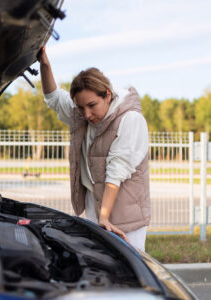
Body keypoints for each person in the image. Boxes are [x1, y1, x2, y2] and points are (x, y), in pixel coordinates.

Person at [38, 47, 151, 251]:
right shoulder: (82, 115)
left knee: (130, 273)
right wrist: (44, 63)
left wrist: (104, 217)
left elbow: (116, 171)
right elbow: (53, 97)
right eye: (81, 107)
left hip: (126, 217)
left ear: (107, 94)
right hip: (96, 209)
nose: (87, 114)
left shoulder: (130, 119)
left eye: (92, 105)